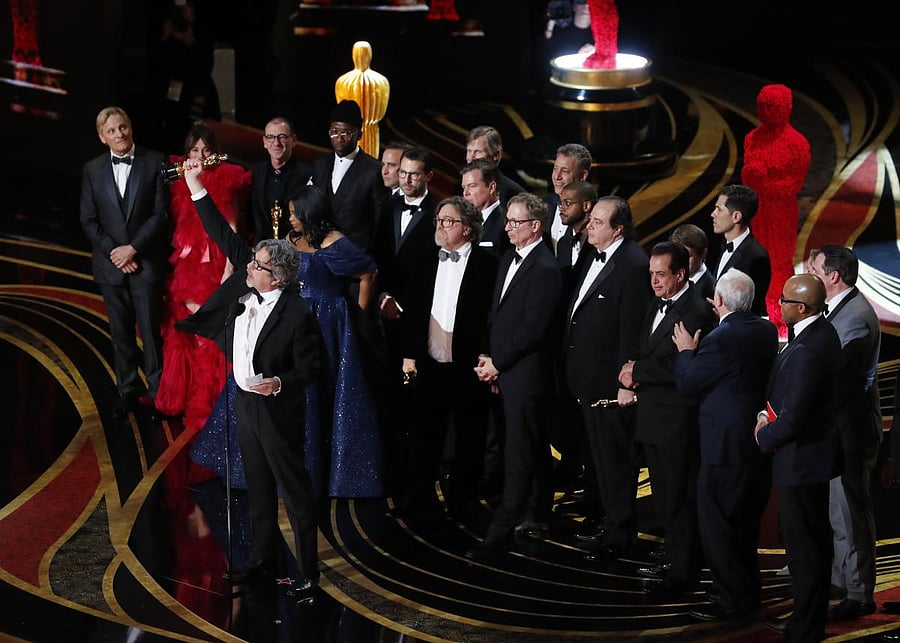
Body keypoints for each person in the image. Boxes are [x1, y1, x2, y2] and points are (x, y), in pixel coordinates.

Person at [178, 159, 322, 603]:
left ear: (277, 276)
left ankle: (309, 573)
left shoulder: (298, 314)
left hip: (275, 408)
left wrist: (279, 383)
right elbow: (221, 232)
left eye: (258, 265)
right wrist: (194, 184)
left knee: (293, 492)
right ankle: (261, 559)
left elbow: (313, 370)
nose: (248, 268)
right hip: (243, 404)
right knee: (256, 486)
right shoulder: (248, 281)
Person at [673, 268, 779, 621]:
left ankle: (731, 598)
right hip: (754, 440)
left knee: (718, 524)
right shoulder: (765, 330)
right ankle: (746, 592)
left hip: (722, 446)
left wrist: (687, 351)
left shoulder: (719, 339)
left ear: (717, 301)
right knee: (744, 522)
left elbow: (688, 383)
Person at [620, 241, 717, 597]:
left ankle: (683, 574)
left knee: (679, 500)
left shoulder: (697, 312)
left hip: (677, 424)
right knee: (665, 499)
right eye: (651, 274)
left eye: (661, 275)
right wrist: (633, 369)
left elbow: (682, 368)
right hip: (654, 419)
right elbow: (648, 348)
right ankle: (676, 561)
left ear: (681, 273)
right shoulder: (656, 303)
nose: (654, 282)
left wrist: (637, 370)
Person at [467, 193, 562, 558]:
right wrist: (488, 355)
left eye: (514, 222)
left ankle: (499, 534)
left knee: (519, 452)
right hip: (504, 368)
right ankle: (537, 513)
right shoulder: (509, 257)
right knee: (530, 446)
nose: (506, 228)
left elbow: (533, 330)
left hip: (525, 375)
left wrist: (499, 363)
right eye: (507, 221)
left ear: (535, 226)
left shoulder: (546, 270)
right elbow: (499, 313)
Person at [396, 196, 499, 516]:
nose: (440, 226)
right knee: (425, 435)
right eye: (439, 220)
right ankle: (418, 499)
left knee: (469, 437)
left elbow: (492, 318)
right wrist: (409, 355)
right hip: (430, 363)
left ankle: (462, 502)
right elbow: (413, 312)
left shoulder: (489, 264)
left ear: (467, 228)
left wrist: (487, 356)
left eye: (448, 221)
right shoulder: (427, 258)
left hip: (469, 366)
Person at [562, 195, 651, 559]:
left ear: (618, 228)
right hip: (585, 382)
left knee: (616, 465)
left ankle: (620, 536)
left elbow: (632, 330)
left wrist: (623, 382)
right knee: (599, 462)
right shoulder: (591, 254)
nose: (588, 226)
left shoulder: (632, 265)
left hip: (610, 388)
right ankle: (608, 525)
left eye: (597, 222)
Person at [755, 273, 841, 642]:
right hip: (808, 460)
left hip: (801, 462)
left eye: (785, 300)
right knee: (809, 548)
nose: (780, 303)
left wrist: (762, 434)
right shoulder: (818, 334)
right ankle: (806, 622)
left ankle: (805, 628)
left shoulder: (809, 348)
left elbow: (796, 417)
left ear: (801, 308)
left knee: (806, 552)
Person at [285, 186, 386, 500]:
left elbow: (368, 271)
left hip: (329, 323)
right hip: (299, 320)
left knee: (328, 394)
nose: (290, 218)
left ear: (309, 214)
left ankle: (332, 474)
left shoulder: (334, 242)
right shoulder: (292, 238)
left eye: (294, 213)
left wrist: (359, 312)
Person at [156, 123, 251, 431]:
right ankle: (178, 399)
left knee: (210, 334)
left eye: (205, 150)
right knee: (182, 328)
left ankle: (207, 406)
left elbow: (232, 228)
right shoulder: (179, 179)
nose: (199, 155)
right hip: (188, 264)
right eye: (194, 150)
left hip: (216, 264)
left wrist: (228, 269)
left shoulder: (227, 181)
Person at [79, 106, 168, 421]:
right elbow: (88, 220)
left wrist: (133, 249)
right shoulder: (92, 169)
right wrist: (115, 253)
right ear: (102, 137)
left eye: (124, 127)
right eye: (113, 131)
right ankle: (128, 391)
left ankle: (159, 397)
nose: (120, 134)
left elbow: (161, 214)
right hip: (110, 267)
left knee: (151, 334)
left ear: (131, 128)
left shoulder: (155, 161)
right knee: (120, 335)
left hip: (145, 264)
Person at [808, 245, 882, 621]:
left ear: (833, 276)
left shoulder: (854, 316)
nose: (810, 276)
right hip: (836, 428)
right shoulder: (840, 308)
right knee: (837, 509)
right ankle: (842, 576)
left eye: (815, 269)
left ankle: (859, 592)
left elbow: (838, 380)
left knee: (849, 509)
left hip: (849, 430)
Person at [372, 147, 439, 496]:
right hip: (385, 320)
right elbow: (378, 258)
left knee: (418, 402)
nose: (407, 179)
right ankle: (392, 472)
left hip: (420, 321)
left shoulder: (440, 213)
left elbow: (435, 274)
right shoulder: (387, 207)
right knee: (390, 399)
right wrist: (382, 297)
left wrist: (403, 305)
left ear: (428, 175)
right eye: (403, 173)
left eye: (414, 174)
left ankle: (419, 479)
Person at [742, 84, 811, 338]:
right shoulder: (752, 138)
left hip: (781, 213)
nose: (767, 111)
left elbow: (794, 184)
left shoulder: (797, 143)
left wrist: (765, 180)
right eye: (763, 106)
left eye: (773, 107)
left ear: (787, 109)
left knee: (779, 263)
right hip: (757, 211)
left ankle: (782, 314)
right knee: (755, 260)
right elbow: (746, 177)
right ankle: (756, 310)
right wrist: (754, 176)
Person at [312, 99, 388, 252]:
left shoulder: (373, 170)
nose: (339, 139)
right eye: (334, 132)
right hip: (321, 252)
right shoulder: (320, 164)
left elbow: (379, 220)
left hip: (356, 255)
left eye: (346, 133)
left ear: (359, 134)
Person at [154, 1, 221, 153]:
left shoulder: (201, 38)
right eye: (179, 10)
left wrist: (188, 41)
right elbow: (166, 70)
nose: (183, 13)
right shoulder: (168, 44)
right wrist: (167, 40)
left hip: (201, 100)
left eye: (186, 9)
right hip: (176, 106)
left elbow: (204, 67)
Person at [710, 184, 771, 317]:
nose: (713, 214)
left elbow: (753, 309)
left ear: (736, 217)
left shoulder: (756, 257)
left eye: (719, 209)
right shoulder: (722, 246)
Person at [250, 116, 312, 243]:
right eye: (270, 137)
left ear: (293, 140)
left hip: (296, 249)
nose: (276, 143)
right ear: (264, 142)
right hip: (261, 250)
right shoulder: (254, 173)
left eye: (282, 137)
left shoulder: (308, 175)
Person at [543, 143, 592, 252]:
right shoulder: (544, 204)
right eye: (555, 169)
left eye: (564, 171)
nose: (557, 176)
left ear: (582, 176)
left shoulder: (594, 214)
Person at [460, 158, 512, 257]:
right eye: (464, 187)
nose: (465, 193)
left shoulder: (507, 223)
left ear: (491, 187)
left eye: (472, 186)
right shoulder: (463, 222)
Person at [463, 126, 526, 205]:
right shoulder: (460, 187)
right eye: (469, 151)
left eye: (478, 152)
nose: (471, 158)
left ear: (496, 155)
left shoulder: (512, 194)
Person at [670, 223, 715, 300]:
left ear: (703, 254)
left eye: (688, 256)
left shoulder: (711, 290)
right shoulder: (673, 279)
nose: (681, 261)